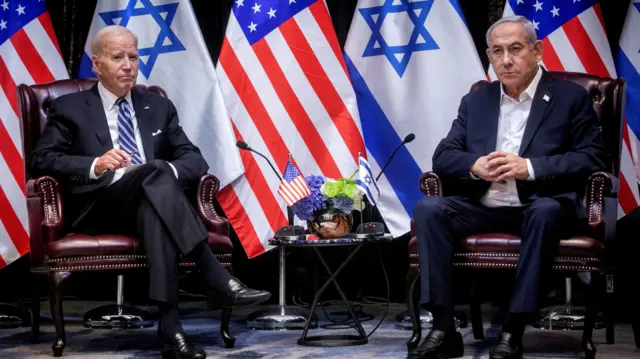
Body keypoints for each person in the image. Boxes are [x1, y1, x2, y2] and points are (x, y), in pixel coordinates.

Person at [27, 25, 270, 359]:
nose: (128, 65)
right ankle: (213, 274)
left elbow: (193, 157)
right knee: (154, 173)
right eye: (117, 57)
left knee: (154, 189)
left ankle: (172, 330)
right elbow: (41, 159)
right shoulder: (69, 108)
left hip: (151, 202)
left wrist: (164, 172)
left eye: (133, 56)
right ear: (97, 65)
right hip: (99, 204)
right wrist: (95, 163)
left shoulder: (157, 106)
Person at [409, 16, 609, 359]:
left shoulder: (569, 98)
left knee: (546, 210)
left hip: (540, 204)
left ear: (537, 51)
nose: (506, 60)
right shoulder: (477, 101)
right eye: (497, 52)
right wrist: (476, 166)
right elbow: (444, 155)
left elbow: (592, 158)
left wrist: (528, 168)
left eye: (515, 49)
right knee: (429, 209)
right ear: (489, 56)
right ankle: (442, 328)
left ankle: (513, 330)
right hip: (484, 206)